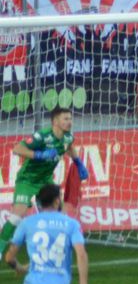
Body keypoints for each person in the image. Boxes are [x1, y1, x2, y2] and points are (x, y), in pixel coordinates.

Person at [0, 108, 80, 253]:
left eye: (70, 119)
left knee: (59, 213)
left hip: (46, 180)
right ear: (55, 121)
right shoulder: (41, 136)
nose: (70, 122)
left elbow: (69, 147)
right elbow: (17, 149)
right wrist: (39, 155)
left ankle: (56, 247)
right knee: (17, 216)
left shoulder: (68, 137)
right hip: (27, 180)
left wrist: (79, 163)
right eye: (66, 119)